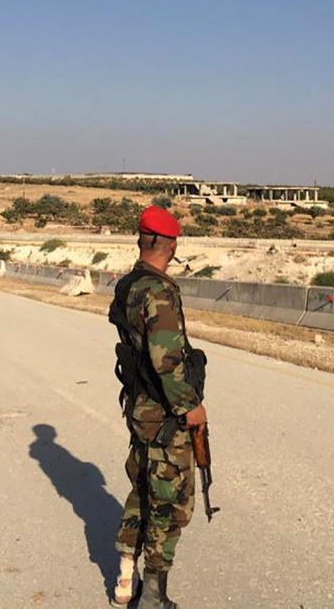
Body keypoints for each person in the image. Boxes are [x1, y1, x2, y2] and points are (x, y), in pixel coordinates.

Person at [108, 205, 207, 609]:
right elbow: (166, 358)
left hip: (140, 408)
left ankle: (124, 580)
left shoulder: (129, 284)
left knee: (142, 490)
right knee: (169, 501)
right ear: (171, 246)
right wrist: (190, 408)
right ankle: (153, 596)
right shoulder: (158, 291)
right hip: (164, 412)